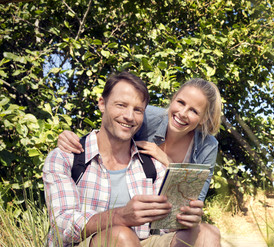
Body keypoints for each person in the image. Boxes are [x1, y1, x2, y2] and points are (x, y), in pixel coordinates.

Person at [43, 71, 224, 247]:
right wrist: (120, 216)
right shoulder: (67, 157)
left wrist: (189, 216)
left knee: (206, 233)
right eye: (121, 105)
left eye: (138, 110)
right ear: (102, 104)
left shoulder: (151, 165)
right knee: (120, 235)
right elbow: (62, 224)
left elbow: (168, 227)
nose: (129, 116)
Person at [57, 78, 223, 201]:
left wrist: (169, 162)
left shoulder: (207, 146)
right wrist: (73, 139)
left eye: (194, 111)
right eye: (180, 102)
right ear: (172, 100)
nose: (182, 113)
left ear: (203, 119)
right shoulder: (146, 117)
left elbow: (194, 200)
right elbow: (108, 136)